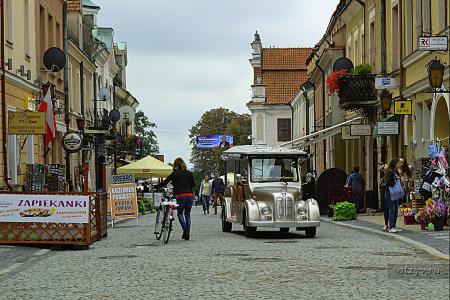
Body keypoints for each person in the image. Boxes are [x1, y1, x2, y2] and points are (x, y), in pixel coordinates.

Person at [157, 157, 195, 241]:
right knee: (187, 215)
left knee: (180, 214)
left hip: (180, 196)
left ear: (176, 165)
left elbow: (165, 182)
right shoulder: (189, 173)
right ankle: (187, 233)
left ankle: (185, 230)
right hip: (189, 196)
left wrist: (157, 186)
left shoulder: (174, 174)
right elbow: (193, 184)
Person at [384, 158, 404, 233]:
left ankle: (394, 226)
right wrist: (395, 180)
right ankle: (391, 227)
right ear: (394, 163)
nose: (400, 164)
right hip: (390, 192)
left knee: (395, 209)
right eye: (399, 163)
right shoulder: (390, 171)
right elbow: (388, 182)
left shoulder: (395, 171)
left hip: (395, 192)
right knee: (392, 209)